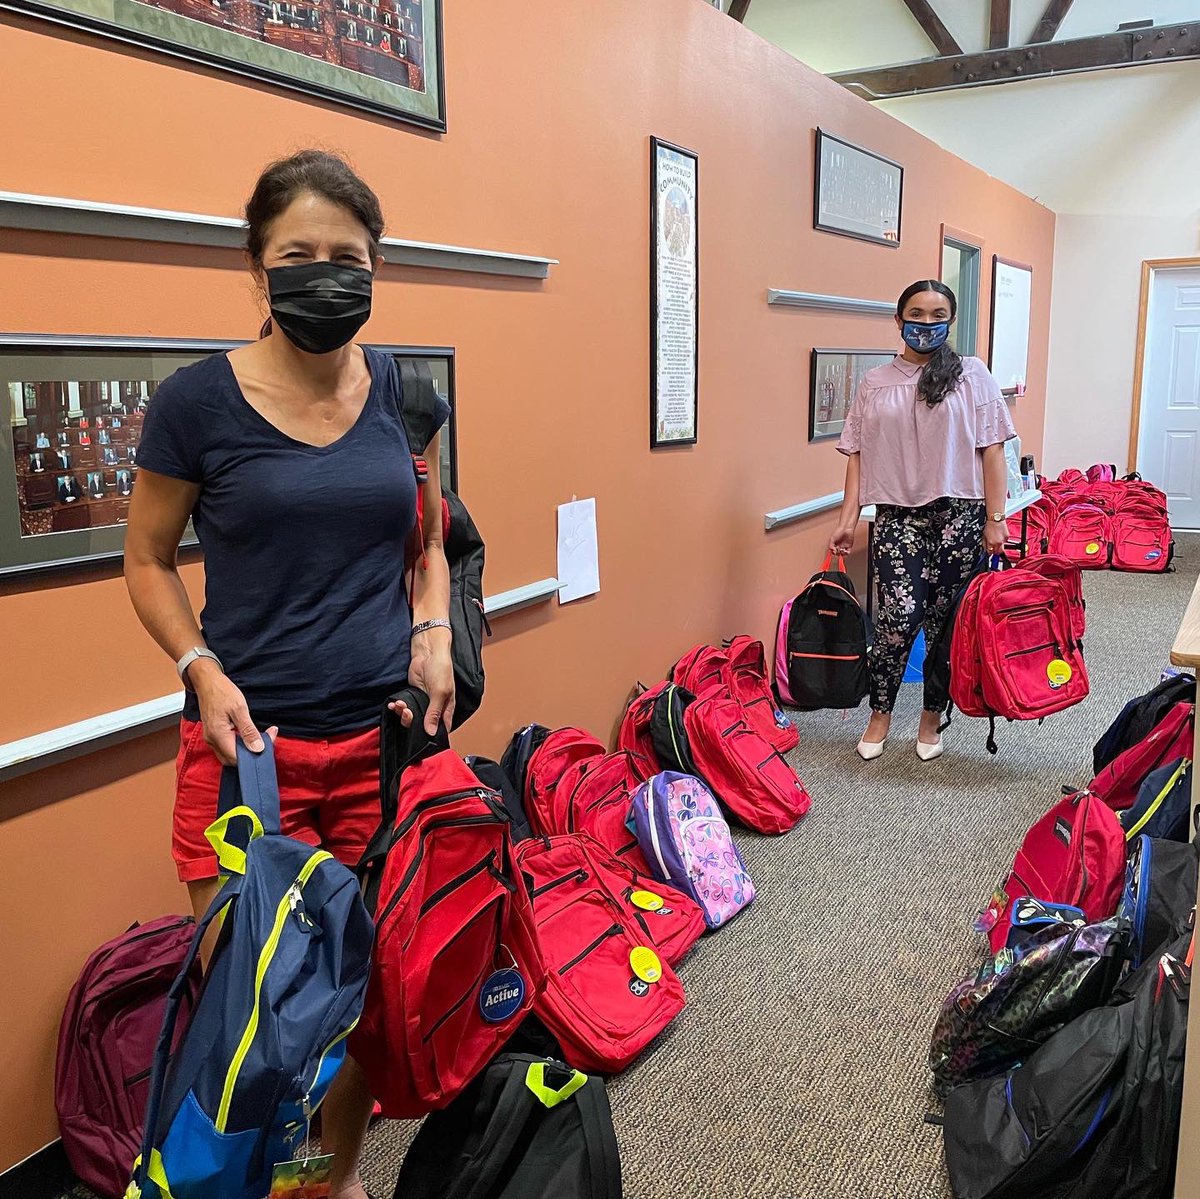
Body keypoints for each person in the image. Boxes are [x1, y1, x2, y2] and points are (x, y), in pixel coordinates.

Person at [124, 149, 454, 1199]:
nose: (326, 275)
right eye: (299, 254)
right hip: (248, 757)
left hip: (381, 746)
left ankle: (339, 1179)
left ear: (376, 266)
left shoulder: (404, 392)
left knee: (359, 997)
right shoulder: (195, 404)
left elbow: (431, 538)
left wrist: (435, 627)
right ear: (256, 267)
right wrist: (199, 665)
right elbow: (146, 559)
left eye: (347, 257)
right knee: (262, 1009)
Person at [829, 279, 1015, 762]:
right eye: (916, 314)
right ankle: (880, 714)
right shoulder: (875, 383)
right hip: (897, 516)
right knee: (897, 618)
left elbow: (993, 450)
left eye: (937, 316)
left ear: (950, 322)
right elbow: (857, 456)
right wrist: (848, 519)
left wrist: (996, 519)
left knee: (946, 625)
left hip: (961, 514)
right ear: (899, 320)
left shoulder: (972, 374)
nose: (926, 324)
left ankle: (932, 717)